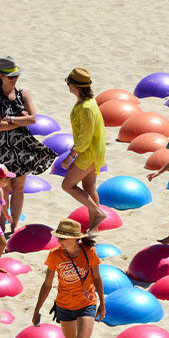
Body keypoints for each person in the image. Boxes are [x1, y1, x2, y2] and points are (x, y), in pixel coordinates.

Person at [32, 219, 106, 338]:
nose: (59, 242)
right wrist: (37, 309)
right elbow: (47, 284)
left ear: (75, 239)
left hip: (87, 304)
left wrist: (102, 304)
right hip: (64, 305)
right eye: (59, 238)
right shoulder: (54, 255)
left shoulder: (89, 252)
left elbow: (97, 278)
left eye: (63, 238)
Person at [0, 56, 57, 233]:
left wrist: (10, 119)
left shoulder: (23, 94)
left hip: (22, 147)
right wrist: (21, 120)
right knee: (4, 188)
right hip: (2, 148)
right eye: (10, 76)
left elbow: (33, 119)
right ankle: (1, 225)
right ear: (1, 76)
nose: (14, 79)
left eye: (16, 75)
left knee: (18, 188)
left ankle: (14, 226)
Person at [61, 67, 107, 235]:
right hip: (94, 150)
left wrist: (70, 156)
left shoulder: (87, 107)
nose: (68, 86)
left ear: (76, 85)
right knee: (89, 186)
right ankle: (94, 227)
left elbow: (85, 139)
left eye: (69, 83)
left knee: (67, 185)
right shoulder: (85, 102)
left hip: (89, 152)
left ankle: (98, 212)